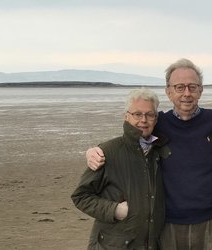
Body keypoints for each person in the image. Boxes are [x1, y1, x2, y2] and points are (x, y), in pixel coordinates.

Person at [85, 58, 212, 249]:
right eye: (179, 87)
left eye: (192, 87)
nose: (186, 93)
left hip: (210, 223)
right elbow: (128, 142)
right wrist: (94, 150)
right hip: (167, 224)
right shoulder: (158, 123)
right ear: (168, 92)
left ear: (200, 90)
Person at [71, 88, 170, 250]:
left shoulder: (160, 150)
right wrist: (114, 210)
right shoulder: (108, 152)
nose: (143, 120)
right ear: (126, 116)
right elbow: (81, 197)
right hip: (113, 244)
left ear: (156, 118)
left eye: (149, 114)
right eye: (137, 114)